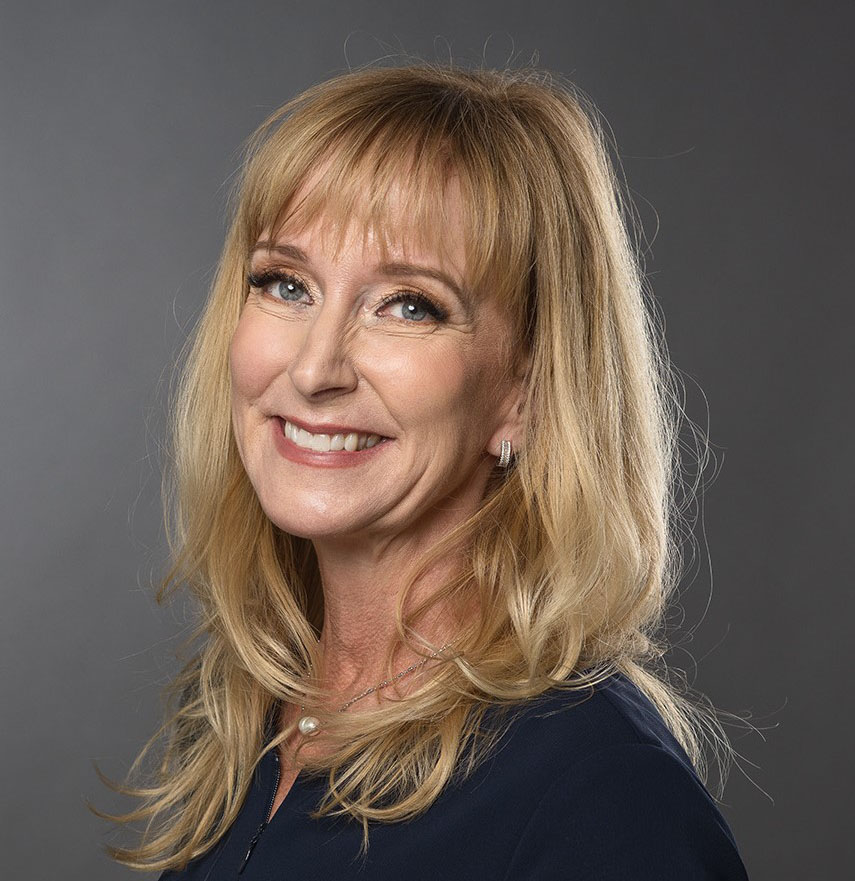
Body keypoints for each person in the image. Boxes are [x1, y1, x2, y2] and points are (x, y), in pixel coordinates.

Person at [97, 61, 750, 879]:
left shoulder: (609, 802)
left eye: (409, 304)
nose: (314, 367)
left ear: (526, 390)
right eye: (285, 283)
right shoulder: (247, 718)